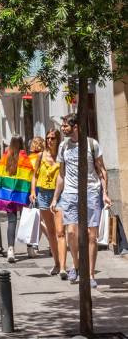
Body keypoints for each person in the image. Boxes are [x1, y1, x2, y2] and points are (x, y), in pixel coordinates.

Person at [50, 114, 110, 288]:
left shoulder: (92, 144)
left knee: (92, 236)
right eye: (62, 126)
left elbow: (102, 171)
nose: (63, 128)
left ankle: (90, 274)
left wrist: (105, 193)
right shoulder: (63, 147)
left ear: (76, 127)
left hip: (91, 192)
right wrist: (55, 198)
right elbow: (61, 174)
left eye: (66, 126)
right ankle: (76, 266)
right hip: (69, 194)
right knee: (70, 233)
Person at [0, 136, 33, 263]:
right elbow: (30, 175)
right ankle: (29, 249)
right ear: (21, 144)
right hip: (22, 194)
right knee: (25, 220)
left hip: (9, 195)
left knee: (11, 221)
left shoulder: (5, 157)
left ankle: (11, 250)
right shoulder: (24, 157)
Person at [30, 129, 64, 276]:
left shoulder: (62, 156)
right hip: (43, 194)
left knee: (60, 231)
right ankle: (56, 263)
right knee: (50, 232)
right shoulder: (40, 156)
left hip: (60, 195)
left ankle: (63, 267)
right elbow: (34, 176)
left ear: (58, 139)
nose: (49, 141)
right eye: (48, 138)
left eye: (52, 138)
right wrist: (33, 192)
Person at [26, 136, 45, 258]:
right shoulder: (43, 158)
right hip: (41, 190)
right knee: (41, 220)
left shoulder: (27, 159)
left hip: (30, 192)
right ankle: (35, 244)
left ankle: (31, 245)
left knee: (33, 219)